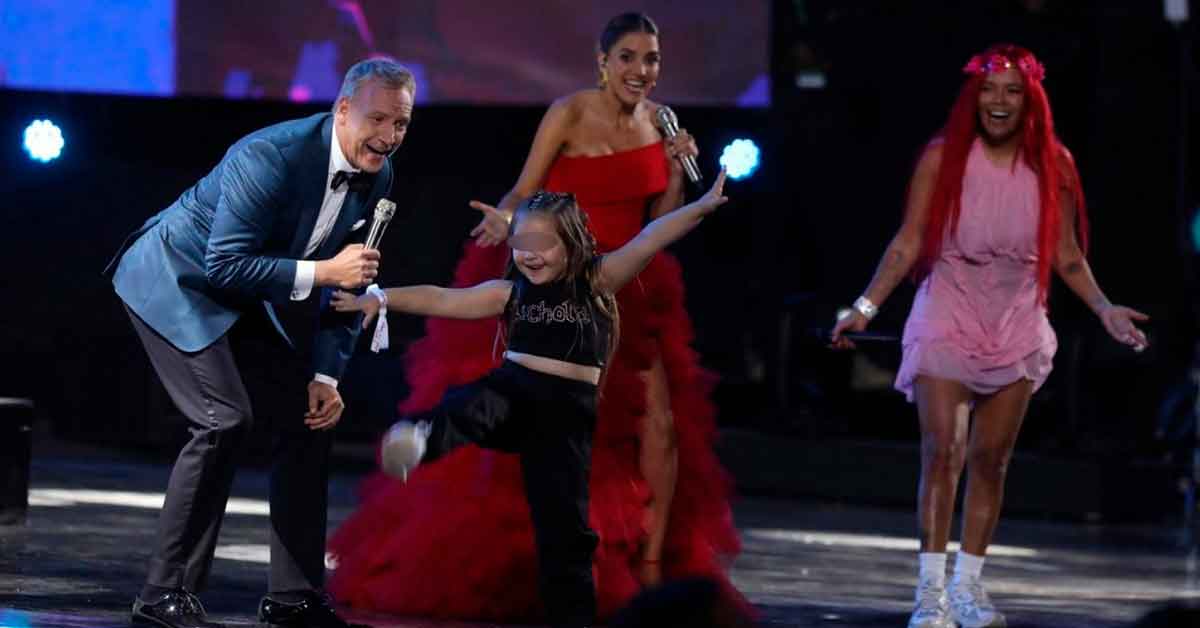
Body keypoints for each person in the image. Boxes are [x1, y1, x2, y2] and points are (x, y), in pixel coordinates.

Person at [327, 11, 742, 622]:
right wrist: (396, 288)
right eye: (627, 56)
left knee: (644, 436)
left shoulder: (660, 129)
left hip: (619, 283)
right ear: (603, 61)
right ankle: (427, 443)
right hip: (550, 271)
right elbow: (506, 216)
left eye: (651, 58)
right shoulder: (568, 117)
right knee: (490, 401)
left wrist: (693, 188)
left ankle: (645, 570)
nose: (640, 70)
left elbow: (659, 227)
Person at [831, 44, 1149, 628]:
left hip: (1015, 318)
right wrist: (866, 306)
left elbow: (1067, 254)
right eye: (988, 90)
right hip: (949, 306)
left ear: (1030, 100)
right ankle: (929, 596)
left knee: (990, 461)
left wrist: (1105, 309)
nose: (998, 102)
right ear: (971, 96)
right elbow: (908, 241)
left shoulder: (1055, 164)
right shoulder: (941, 157)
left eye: (1011, 91)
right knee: (942, 452)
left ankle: (969, 589)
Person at [104, 58, 414, 628]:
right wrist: (323, 274)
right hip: (174, 277)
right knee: (224, 419)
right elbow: (224, 264)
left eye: (400, 124)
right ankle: (162, 594)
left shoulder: (380, 176)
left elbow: (354, 278)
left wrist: (326, 376)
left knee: (308, 417)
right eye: (378, 119)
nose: (389, 137)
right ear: (342, 109)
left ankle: (293, 595)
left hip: (238, 288)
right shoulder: (270, 156)